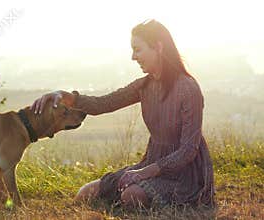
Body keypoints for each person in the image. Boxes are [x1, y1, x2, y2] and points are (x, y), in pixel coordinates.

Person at [31, 19, 214, 209]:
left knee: (131, 196)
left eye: (137, 49)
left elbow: (188, 151)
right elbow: (104, 103)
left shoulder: (188, 89)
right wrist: (64, 96)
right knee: (87, 192)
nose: (133, 57)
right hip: (150, 165)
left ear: (158, 47)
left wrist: (144, 173)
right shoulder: (144, 86)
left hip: (184, 175)